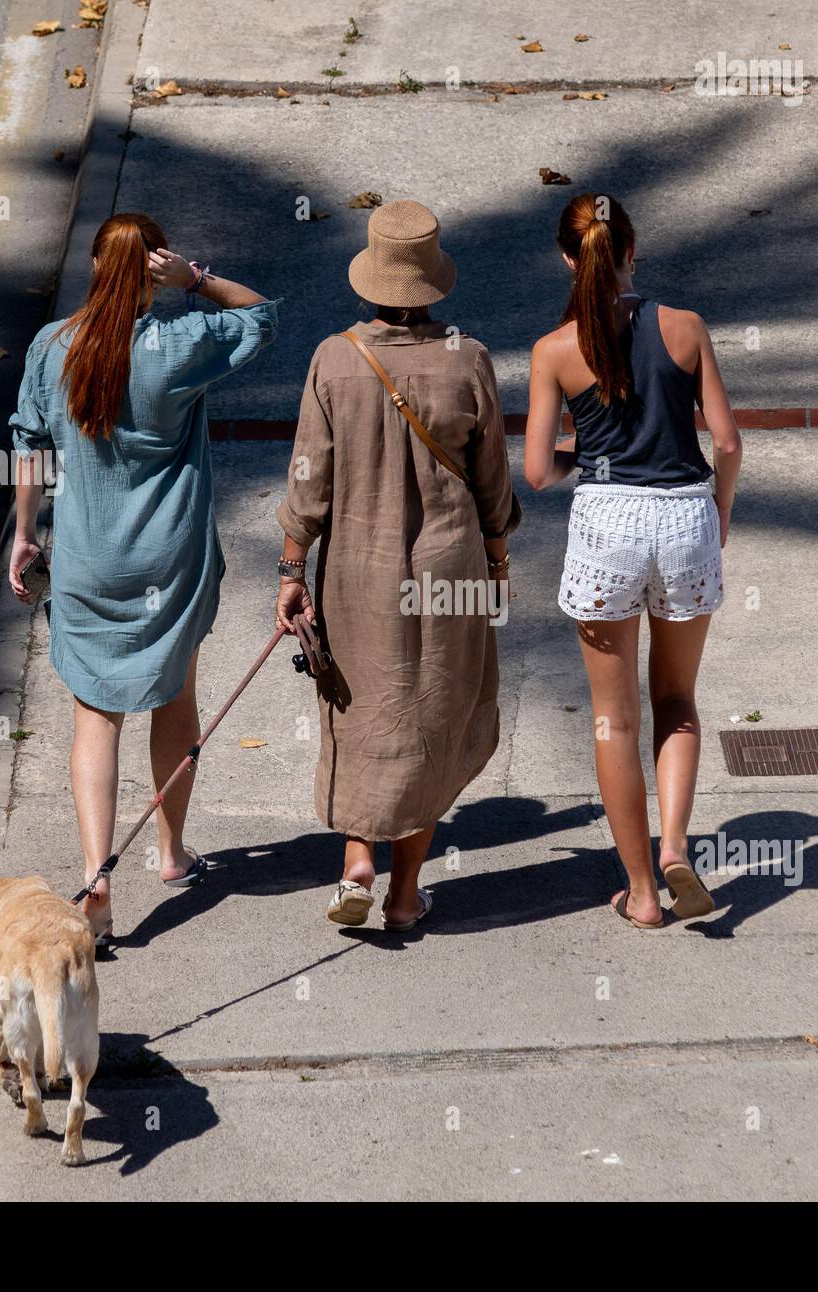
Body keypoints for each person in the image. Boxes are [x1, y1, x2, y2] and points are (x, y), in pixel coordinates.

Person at [8, 212, 278, 944]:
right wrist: (195, 277)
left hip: (89, 560)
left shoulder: (51, 347)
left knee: (96, 715)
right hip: (172, 557)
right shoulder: (181, 344)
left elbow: (28, 445)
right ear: (152, 267)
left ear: (96, 267)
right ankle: (169, 851)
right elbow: (261, 315)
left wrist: (26, 534)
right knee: (175, 700)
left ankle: (97, 876)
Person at [276, 200, 519, 931]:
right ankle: (406, 894)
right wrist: (499, 555)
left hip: (357, 568)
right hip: (451, 565)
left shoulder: (334, 357)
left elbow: (307, 480)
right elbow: (493, 480)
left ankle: (357, 859)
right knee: (433, 716)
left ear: (369, 279)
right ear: (433, 283)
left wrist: (293, 569)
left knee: (365, 709)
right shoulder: (467, 359)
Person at [524, 193, 741, 930]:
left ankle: (642, 893)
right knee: (676, 700)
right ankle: (677, 848)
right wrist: (720, 515)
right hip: (685, 513)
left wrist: (582, 460)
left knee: (613, 721)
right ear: (632, 251)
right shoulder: (686, 327)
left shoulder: (554, 350)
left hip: (608, 518)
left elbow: (535, 472)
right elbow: (730, 443)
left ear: (566, 257)